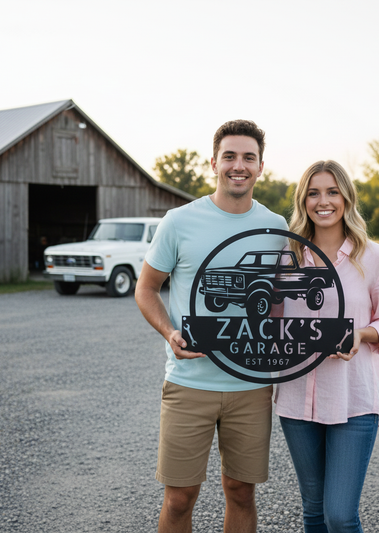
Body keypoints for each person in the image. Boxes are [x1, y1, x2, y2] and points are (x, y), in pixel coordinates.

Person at [135, 120, 288, 533]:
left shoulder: (278, 228)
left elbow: (288, 300)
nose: (239, 165)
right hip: (189, 381)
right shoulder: (179, 221)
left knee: (240, 490)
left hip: (252, 383)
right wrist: (170, 332)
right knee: (180, 497)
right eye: (230, 156)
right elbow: (146, 289)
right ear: (214, 163)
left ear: (260, 167)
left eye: (248, 158)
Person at [274, 160, 379, 533]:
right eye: (313, 193)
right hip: (297, 399)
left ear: (347, 198)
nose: (323, 201)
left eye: (332, 192)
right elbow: (272, 323)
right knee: (313, 510)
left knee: (340, 515)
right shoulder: (290, 257)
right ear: (303, 201)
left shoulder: (375, 257)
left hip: (354, 401)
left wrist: (360, 335)